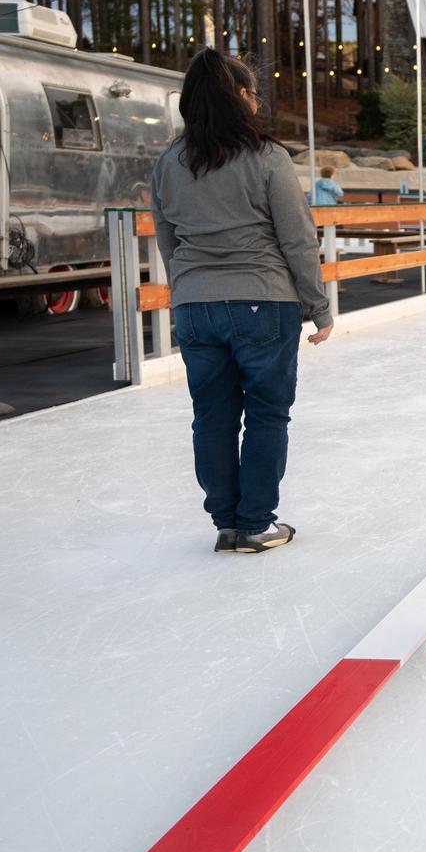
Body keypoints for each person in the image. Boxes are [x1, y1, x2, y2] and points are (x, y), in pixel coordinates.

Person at [151, 49, 334, 555]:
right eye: (253, 92)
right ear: (242, 98)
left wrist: (189, 288)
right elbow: (297, 236)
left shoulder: (169, 162)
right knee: (268, 414)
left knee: (211, 415)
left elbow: (168, 239)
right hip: (262, 301)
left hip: (194, 306)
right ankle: (254, 523)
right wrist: (317, 305)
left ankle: (228, 524)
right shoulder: (266, 157)